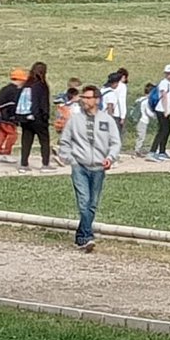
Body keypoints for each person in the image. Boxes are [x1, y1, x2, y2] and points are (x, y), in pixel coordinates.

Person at [58, 84, 121, 253]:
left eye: (87, 97)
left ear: (96, 100)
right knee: (84, 202)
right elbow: (65, 140)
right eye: (82, 97)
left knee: (92, 204)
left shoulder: (107, 120)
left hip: (99, 168)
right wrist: (70, 159)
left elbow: (116, 143)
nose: (83, 100)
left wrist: (110, 158)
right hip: (80, 166)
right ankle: (87, 236)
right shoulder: (75, 119)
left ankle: (80, 236)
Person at [17, 61, 56, 172]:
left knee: (26, 141)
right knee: (44, 141)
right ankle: (45, 164)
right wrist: (46, 116)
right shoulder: (41, 85)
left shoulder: (26, 84)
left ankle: (24, 164)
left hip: (25, 117)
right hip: (38, 117)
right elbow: (43, 103)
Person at [0, 69, 27, 163]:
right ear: (20, 80)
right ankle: (6, 153)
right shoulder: (15, 91)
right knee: (13, 134)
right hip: (7, 116)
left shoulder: (5, 88)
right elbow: (14, 104)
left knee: (1, 133)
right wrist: (16, 117)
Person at [147, 64, 170, 161]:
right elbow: (164, 96)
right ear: (165, 74)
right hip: (162, 110)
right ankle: (152, 152)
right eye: (168, 73)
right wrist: (166, 110)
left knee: (167, 130)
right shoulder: (164, 83)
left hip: (166, 110)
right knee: (162, 131)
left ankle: (162, 151)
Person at [132, 83, 156, 155]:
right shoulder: (146, 101)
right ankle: (137, 150)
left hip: (138, 119)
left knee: (140, 135)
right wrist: (155, 116)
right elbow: (148, 112)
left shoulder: (140, 99)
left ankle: (139, 149)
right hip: (143, 120)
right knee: (141, 136)